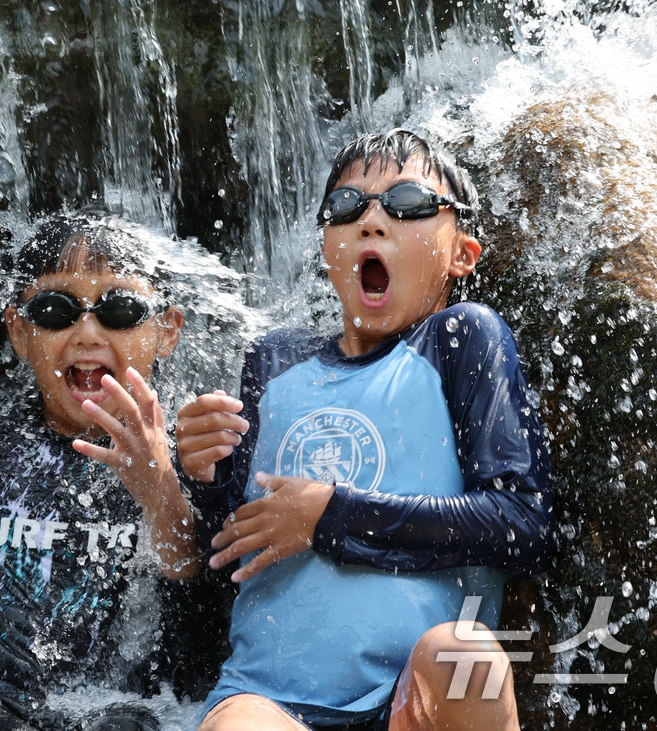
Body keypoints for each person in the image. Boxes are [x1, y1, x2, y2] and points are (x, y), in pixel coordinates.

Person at [174, 129, 556, 730]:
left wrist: (329, 518)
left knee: (466, 658)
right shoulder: (273, 363)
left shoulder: (462, 339)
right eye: (347, 207)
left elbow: (523, 526)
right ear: (327, 244)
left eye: (407, 203)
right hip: (270, 696)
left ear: (463, 254)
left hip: (412, 700)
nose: (371, 220)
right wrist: (202, 476)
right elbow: (228, 556)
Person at [0, 213, 199, 731]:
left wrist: (160, 491)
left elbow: (194, 648)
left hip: (117, 711)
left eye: (120, 310)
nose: (87, 333)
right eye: (55, 310)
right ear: (18, 330)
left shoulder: (187, 454)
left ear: (166, 331)